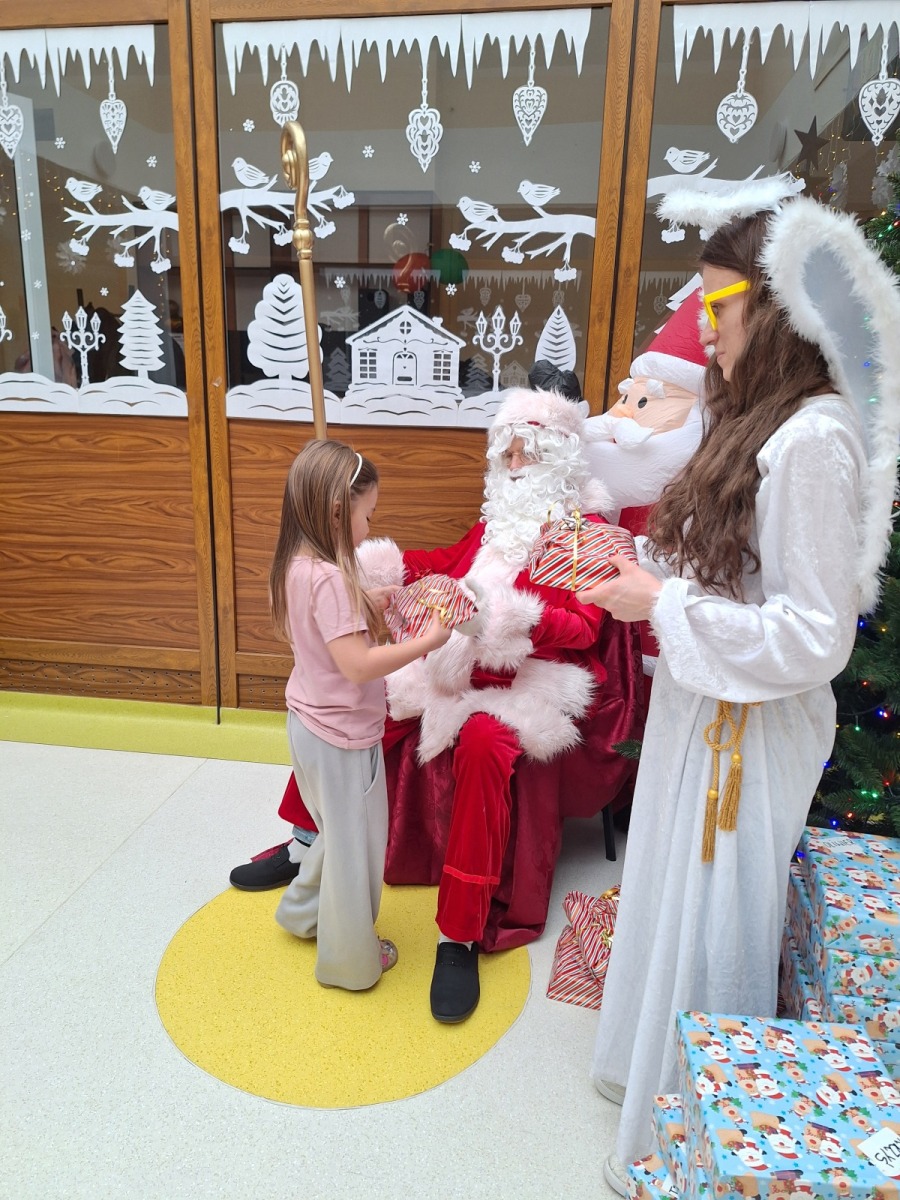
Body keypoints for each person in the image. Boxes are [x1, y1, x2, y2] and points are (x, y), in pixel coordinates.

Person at [576, 195, 900, 1195]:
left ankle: (694, 1135)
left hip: (748, 736)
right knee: (672, 899)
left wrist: (662, 605)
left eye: (721, 307)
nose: (704, 327)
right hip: (704, 710)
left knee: (716, 923)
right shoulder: (752, 418)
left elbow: (814, 636)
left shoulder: (814, 440)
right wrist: (641, 571)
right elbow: (725, 571)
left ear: (781, 312)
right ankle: (657, 1091)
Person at [232, 387, 645, 1022]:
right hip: (460, 659)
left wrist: (506, 620)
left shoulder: (586, 535)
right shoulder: (495, 525)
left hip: (531, 679)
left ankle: (459, 935)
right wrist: (389, 573)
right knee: (364, 704)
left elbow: (585, 626)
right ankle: (305, 842)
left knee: (482, 742)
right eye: (506, 451)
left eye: (527, 451)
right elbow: (448, 564)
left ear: (560, 456)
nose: (513, 464)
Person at [268, 438, 450, 991]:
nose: (370, 527)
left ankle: (303, 914)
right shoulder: (330, 577)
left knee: (336, 835)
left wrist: (365, 604)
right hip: (342, 737)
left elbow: (324, 634)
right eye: (367, 515)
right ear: (335, 512)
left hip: (308, 725)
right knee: (354, 852)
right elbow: (357, 665)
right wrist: (427, 642)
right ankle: (350, 964)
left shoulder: (299, 564)